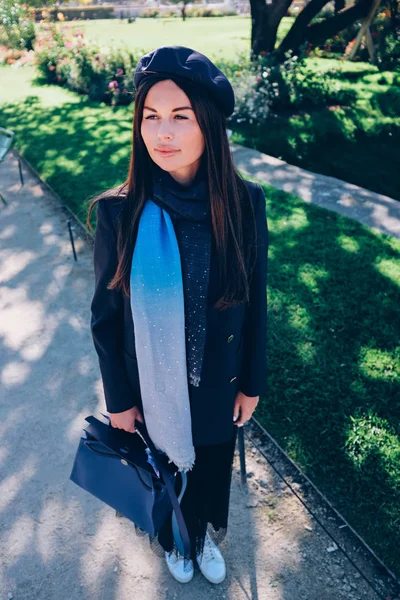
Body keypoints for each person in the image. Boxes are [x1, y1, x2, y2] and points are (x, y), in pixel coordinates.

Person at [86, 45, 269, 585]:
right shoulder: (121, 213)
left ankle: (203, 534)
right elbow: (106, 319)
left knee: (209, 468)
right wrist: (119, 399)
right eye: (150, 117)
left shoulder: (243, 203)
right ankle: (175, 543)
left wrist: (252, 382)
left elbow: (256, 298)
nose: (162, 132)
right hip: (152, 385)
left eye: (179, 117)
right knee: (162, 472)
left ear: (208, 125)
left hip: (218, 378)